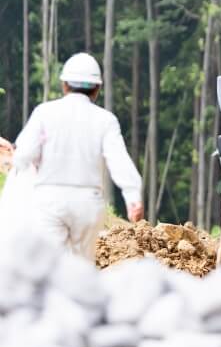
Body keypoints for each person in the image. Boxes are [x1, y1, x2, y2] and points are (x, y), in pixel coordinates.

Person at [13, 52, 144, 260]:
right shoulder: (105, 120)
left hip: (50, 200)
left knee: (50, 266)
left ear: (64, 85)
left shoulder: (44, 113)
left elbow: (23, 155)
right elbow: (119, 161)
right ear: (97, 89)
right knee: (81, 269)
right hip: (88, 203)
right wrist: (133, 197)